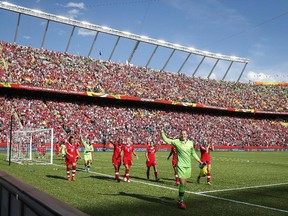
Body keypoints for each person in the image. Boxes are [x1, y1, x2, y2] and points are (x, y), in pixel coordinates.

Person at [161, 129, 203, 210]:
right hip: (180, 166)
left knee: (184, 184)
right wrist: (162, 132)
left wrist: (199, 161)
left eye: (185, 134)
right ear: (180, 135)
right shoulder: (176, 142)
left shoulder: (190, 143)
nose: (183, 135)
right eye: (182, 134)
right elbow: (166, 140)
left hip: (188, 166)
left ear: (187, 135)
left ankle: (180, 200)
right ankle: (180, 202)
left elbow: (193, 153)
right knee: (182, 184)